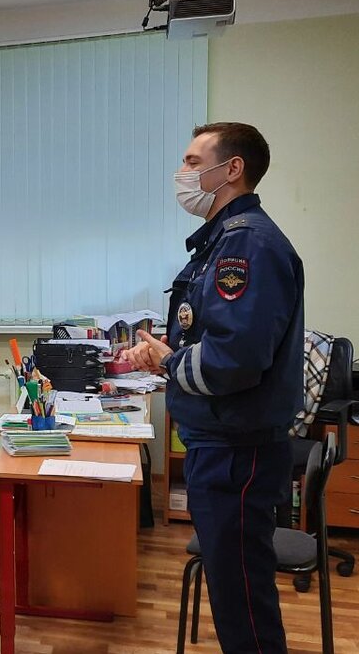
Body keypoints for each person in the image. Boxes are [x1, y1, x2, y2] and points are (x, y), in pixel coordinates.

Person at [124, 122, 303, 654]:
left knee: (243, 602)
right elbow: (213, 334)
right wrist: (167, 352)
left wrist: (170, 360)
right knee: (234, 594)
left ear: (232, 169)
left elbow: (236, 359)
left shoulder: (245, 244)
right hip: (220, 443)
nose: (182, 173)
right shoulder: (221, 241)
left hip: (236, 451)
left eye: (192, 161)